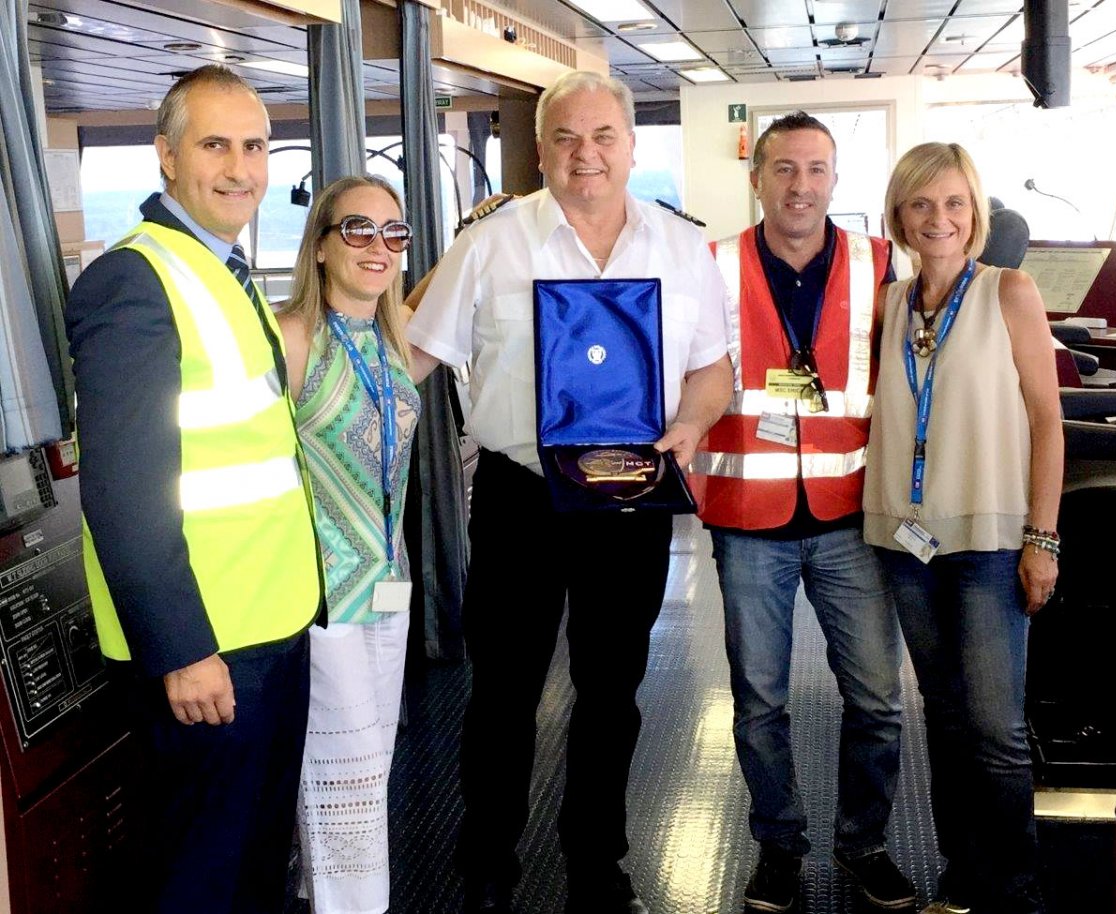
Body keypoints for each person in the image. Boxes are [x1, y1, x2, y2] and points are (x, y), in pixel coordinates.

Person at [403, 70, 733, 914]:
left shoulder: (682, 247)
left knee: (612, 684)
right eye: (565, 138)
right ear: (541, 149)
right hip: (520, 497)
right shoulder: (490, 242)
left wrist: (690, 429)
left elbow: (712, 369)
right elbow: (414, 354)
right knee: (504, 686)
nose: (585, 155)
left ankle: (597, 852)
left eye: (603, 137)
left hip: (631, 497)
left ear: (631, 145)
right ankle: (486, 849)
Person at [66, 64, 323, 913]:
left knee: (254, 862)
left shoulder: (222, 269)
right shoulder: (135, 281)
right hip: (209, 650)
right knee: (204, 876)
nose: (241, 168)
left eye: (255, 146)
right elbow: (126, 492)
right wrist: (182, 650)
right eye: (215, 144)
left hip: (270, 625)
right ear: (166, 156)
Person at [689, 111, 913, 913]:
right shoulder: (708, 266)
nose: (800, 186)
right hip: (749, 520)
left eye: (816, 170)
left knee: (879, 701)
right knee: (759, 704)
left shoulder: (882, 266)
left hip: (851, 517)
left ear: (834, 180)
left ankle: (865, 844)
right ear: (756, 178)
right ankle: (779, 847)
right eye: (784, 169)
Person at [863, 142, 1063, 914]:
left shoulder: (1010, 292)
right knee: (943, 720)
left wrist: (1041, 539)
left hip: (990, 543)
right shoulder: (890, 304)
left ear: (974, 212)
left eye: (953, 203)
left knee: (996, 729)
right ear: (901, 217)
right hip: (908, 543)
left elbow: (1048, 424)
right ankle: (963, 874)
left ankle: (1015, 889)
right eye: (921, 205)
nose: (938, 219)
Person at [275, 175, 422, 914]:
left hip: (388, 588)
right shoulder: (292, 337)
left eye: (393, 233)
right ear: (323, 246)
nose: (378, 246)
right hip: (323, 598)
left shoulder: (391, 334)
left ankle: (332, 897)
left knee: (373, 768)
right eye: (358, 229)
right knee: (345, 774)